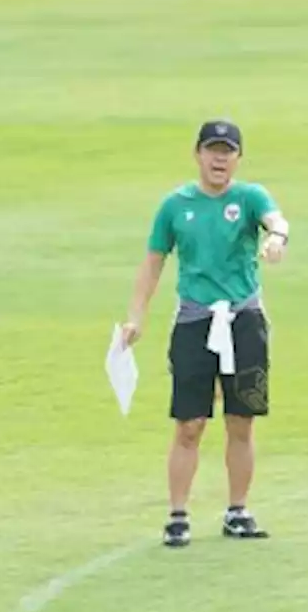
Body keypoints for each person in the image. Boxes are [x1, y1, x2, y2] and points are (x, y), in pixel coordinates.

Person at [121, 119, 290, 548]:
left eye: (227, 151)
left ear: (238, 157)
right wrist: (136, 317)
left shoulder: (249, 197)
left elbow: (275, 220)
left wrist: (277, 239)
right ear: (197, 154)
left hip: (244, 320)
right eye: (212, 150)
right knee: (189, 423)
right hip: (195, 321)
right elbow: (154, 262)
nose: (220, 158)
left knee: (242, 419)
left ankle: (238, 509)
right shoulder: (176, 206)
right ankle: (178, 514)